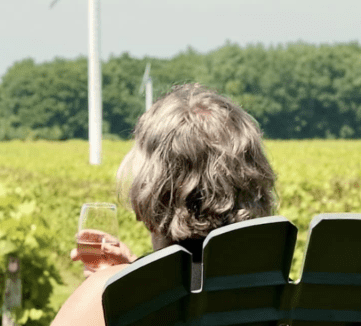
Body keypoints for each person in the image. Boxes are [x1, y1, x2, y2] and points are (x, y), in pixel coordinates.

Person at [50, 83, 278, 325]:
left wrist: (126, 281)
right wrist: (139, 270)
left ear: (154, 191)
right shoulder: (270, 295)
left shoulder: (106, 294)